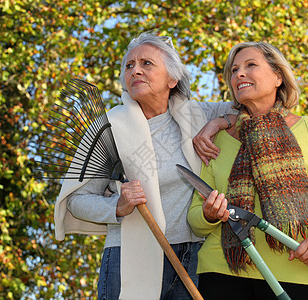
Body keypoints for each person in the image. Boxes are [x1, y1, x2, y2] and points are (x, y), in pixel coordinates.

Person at [54, 32, 236, 300]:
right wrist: (117, 206)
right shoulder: (107, 129)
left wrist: (217, 124)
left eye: (146, 64)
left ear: (172, 79)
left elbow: (249, 109)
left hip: (195, 257)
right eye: (129, 66)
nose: (136, 70)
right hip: (128, 254)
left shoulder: (199, 115)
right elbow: (75, 200)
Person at [188, 42, 308, 299]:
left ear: (278, 76)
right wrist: (209, 215)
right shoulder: (220, 138)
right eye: (234, 70)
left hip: (296, 273)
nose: (238, 74)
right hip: (221, 274)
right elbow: (195, 219)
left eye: (250, 65)